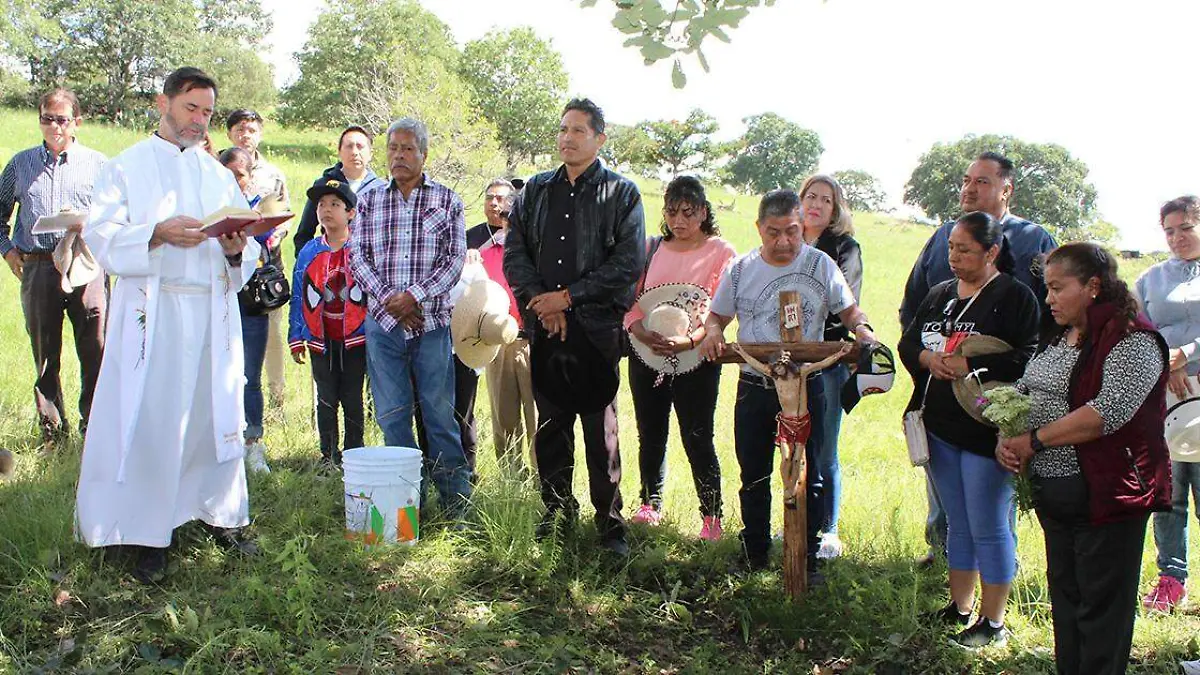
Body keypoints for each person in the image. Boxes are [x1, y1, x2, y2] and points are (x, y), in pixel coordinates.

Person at [75, 67, 261, 582]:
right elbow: (103, 236)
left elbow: (247, 244)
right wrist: (154, 233)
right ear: (164, 103)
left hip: (209, 315)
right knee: (153, 418)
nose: (199, 122)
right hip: (152, 316)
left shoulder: (218, 174)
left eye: (206, 112)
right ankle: (147, 532)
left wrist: (234, 248)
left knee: (210, 412)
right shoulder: (125, 167)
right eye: (190, 108)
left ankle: (217, 512)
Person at [998, 243, 1170, 675]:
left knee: (1102, 611)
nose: (1049, 298)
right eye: (1047, 288)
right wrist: (1006, 435)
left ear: (1093, 286)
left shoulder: (1134, 339)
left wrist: (1034, 440)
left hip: (1107, 496)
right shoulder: (1058, 335)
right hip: (1056, 495)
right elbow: (1025, 390)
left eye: (1058, 288)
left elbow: (1107, 412)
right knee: (1068, 601)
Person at [699, 189, 876, 580]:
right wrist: (712, 333)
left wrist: (863, 331)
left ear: (802, 227)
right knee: (754, 472)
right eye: (773, 233)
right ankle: (755, 551)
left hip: (805, 385)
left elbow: (849, 311)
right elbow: (716, 318)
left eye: (792, 232)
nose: (783, 242)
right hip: (755, 385)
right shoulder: (741, 269)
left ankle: (807, 556)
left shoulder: (821, 265)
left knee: (807, 473)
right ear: (759, 229)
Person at [900, 151, 1058, 565]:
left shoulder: (1032, 240)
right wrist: (924, 362)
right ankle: (947, 551)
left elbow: (1052, 316)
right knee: (945, 484)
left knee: (989, 492)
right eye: (966, 180)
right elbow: (913, 303)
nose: (969, 188)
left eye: (982, 182)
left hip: (1001, 394)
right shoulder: (941, 236)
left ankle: (997, 567)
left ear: (1006, 190)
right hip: (939, 389)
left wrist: (1011, 379)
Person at [504, 98, 645, 557]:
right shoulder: (536, 191)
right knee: (551, 427)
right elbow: (515, 254)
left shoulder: (622, 194)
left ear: (600, 139)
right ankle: (557, 512)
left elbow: (628, 263)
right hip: (545, 330)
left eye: (578, 131)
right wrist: (542, 305)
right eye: (563, 129)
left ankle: (610, 526)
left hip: (597, 331)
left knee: (600, 433)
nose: (567, 137)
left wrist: (568, 298)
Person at [898, 211, 1040, 647]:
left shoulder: (1016, 297)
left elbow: (1029, 357)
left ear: (992, 251)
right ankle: (960, 607)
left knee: (989, 523)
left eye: (964, 249)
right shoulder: (941, 293)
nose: (953, 257)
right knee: (957, 522)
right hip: (938, 426)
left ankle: (993, 621)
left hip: (986, 432)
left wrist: (971, 363)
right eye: (951, 248)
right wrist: (928, 360)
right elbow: (909, 342)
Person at [347, 117, 471, 518]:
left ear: (424, 154)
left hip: (432, 325)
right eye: (393, 149)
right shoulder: (369, 200)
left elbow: (454, 263)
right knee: (393, 418)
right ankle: (405, 510)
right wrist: (390, 300)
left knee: (439, 418)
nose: (399, 156)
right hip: (383, 329)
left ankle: (457, 510)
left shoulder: (448, 200)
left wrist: (413, 297)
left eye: (407, 149)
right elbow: (357, 256)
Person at [625, 176, 736, 540]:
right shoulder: (650, 248)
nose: (680, 221)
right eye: (672, 212)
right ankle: (649, 504)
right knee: (650, 433)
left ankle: (712, 518)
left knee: (697, 435)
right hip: (646, 353)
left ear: (704, 212)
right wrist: (638, 329)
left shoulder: (722, 252)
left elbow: (723, 308)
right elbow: (629, 300)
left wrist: (692, 339)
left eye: (688, 212)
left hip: (698, 357)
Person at [0, 88, 107, 447]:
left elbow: (117, 216)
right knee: (45, 353)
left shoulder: (98, 165)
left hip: (86, 264)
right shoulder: (21, 164)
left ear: (77, 122)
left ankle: (94, 426)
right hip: (39, 266)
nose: (54, 126)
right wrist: (9, 251)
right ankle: (52, 434)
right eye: (47, 118)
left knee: (96, 345)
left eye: (62, 119)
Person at [1136, 195, 1200, 612]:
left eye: (1185, 227)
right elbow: (1139, 328)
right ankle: (1170, 578)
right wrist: (1167, 361)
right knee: (1170, 488)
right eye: (1169, 230)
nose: (1176, 237)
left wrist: (1188, 354)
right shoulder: (1150, 279)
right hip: (1165, 395)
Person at [798, 174, 862, 559]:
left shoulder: (844, 247)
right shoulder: (786, 241)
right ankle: (797, 523)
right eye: (811, 196)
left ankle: (829, 530)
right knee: (793, 445)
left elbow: (845, 302)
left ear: (836, 209)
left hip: (829, 358)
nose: (817, 204)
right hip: (787, 360)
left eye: (826, 200)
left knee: (824, 448)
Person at [289, 178, 366, 468]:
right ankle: (328, 455)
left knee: (352, 395)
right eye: (321, 205)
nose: (326, 210)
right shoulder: (310, 251)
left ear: (351, 213)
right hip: (320, 338)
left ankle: (355, 454)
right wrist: (296, 335)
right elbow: (299, 294)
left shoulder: (360, 248)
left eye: (335, 204)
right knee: (326, 396)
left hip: (355, 338)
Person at [226, 109, 290, 409]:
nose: (246, 134)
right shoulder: (220, 167)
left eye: (251, 129)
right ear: (230, 133)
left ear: (260, 133)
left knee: (272, 336)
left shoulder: (273, 175)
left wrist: (273, 234)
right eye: (240, 129)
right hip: (230, 267)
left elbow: (284, 216)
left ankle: (276, 397)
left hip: (267, 269)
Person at [474, 178, 537, 466]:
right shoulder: (484, 254)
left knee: (538, 416)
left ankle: (544, 482)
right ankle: (512, 480)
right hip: (498, 343)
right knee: (504, 417)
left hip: (534, 340)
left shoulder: (539, 252)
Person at [218, 146, 270, 473]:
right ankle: (223, 441)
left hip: (250, 303)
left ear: (249, 178)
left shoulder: (258, 210)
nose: (234, 181)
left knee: (249, 375)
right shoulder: (207, 209)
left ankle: (253, 444)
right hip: (217, 301)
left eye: (240, 174)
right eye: (228, 174)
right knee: (221, 375)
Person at [293, 125, 383, 255]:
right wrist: (307, 266)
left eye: (360, 147)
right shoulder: (323, 184)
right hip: (329, 264)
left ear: (370, 154)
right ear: (340, 152)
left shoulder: (381, 189)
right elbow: (304, 233)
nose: (355, 152)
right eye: (349, 146)